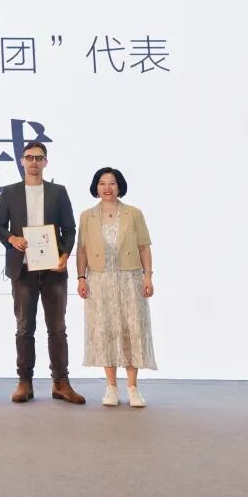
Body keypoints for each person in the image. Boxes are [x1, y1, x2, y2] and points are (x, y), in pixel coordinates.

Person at [0, 141, 84, 404]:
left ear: (46, 162)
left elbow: (69, 229)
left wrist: (64, 255)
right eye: (29, 157)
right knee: (24, 328)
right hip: (23, 270)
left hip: (53, 269)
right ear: (22, 161)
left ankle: (61, 383)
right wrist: (11, 239)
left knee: (58, 328)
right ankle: (25, 382)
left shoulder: (58, 192)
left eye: (39, 157)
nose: (34, 162)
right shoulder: (9, 192)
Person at [77, 166, 157, 407]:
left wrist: (148, 276)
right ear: (96, 187)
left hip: (129, 279)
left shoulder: (134, 213)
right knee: (105, 330)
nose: (107, 188)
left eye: (112, 183)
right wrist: (81, 278)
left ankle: (133, 388)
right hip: (99, 280)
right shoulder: (87, 216)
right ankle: (111, 387)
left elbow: (144, 247)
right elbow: (82, 250)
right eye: (102, 183)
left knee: (132, 329)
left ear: (119, 186)